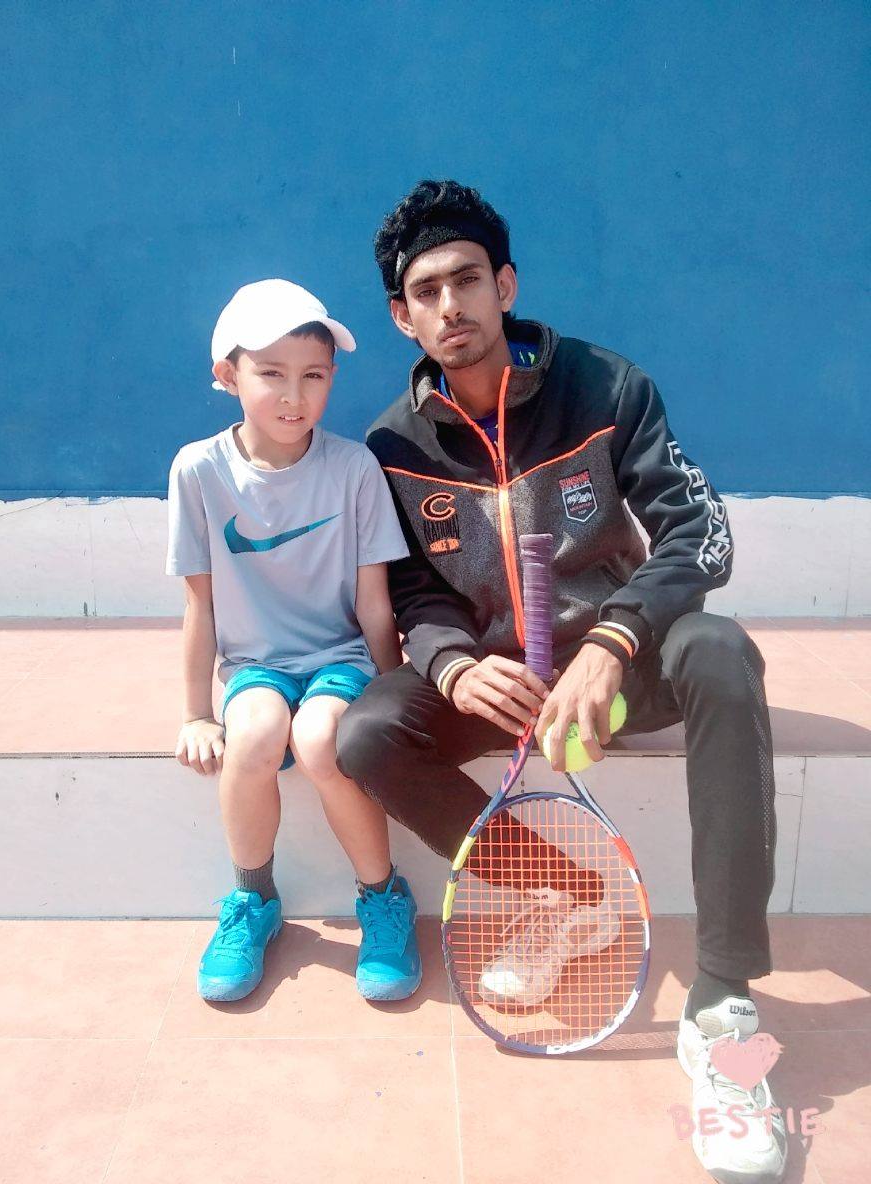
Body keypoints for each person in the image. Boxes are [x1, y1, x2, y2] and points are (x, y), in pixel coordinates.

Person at [335, 181, 786, 1183]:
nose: (449, 305)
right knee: (365, 733)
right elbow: (414, 589)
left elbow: (700, 535)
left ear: (504, 285)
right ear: (402, 317)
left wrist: (616, 639)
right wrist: (454, 665)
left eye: (466, 280)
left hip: (617, 670)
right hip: (502, 678)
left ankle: (722, 1001)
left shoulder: (607, 387)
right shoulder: (391, 446)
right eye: (425, 292)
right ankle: (565, 896)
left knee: (721, 652)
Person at [166, 278, 422, 1005]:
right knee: (252, 737)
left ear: (331, 377)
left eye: (313, 376)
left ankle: (383, 897)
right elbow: (200, 604)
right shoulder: (199, 470)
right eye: (271, 373)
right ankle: (253, 900)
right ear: (228, 376)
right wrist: (196, 713)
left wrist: (391, 690)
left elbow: (374, 602)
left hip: (340, 660)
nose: (293, 395)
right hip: (256, 666)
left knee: (319, 742)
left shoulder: (354, 468)